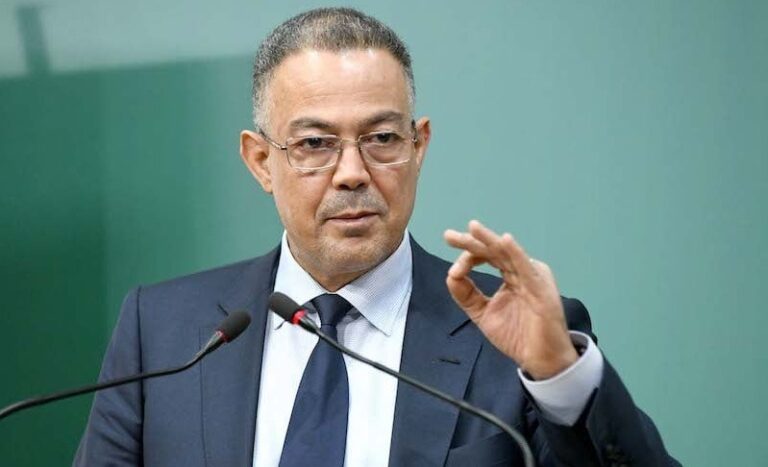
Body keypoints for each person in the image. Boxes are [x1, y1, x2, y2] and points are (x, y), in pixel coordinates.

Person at [75, 7, 679, 467]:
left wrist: (558, 375)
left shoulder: (516, 336)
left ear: (419, 146)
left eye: (382, 139)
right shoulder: (163, 331)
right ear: (261, 161)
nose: (352, 173)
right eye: (315, 143)